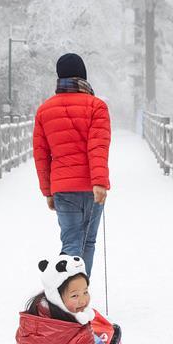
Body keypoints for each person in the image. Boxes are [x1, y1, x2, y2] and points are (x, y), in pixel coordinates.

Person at [33, 53, 110, 277]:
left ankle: (67, 299)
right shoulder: (97, 107)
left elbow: (41, 155)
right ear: (83, 75)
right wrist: (99, 182)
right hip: (90, 188)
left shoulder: (44, 110)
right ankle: (80, 297)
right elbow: (98, 147)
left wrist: (48, 191)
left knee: (70, 242)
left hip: (62, 189)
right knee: (88, 241)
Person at [16, 254, 135, 344]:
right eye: (74, 296)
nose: (83, 300)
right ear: (57, 297)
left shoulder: (30, 321)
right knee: (113, 333)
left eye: (85, 292)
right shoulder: (78, 336)